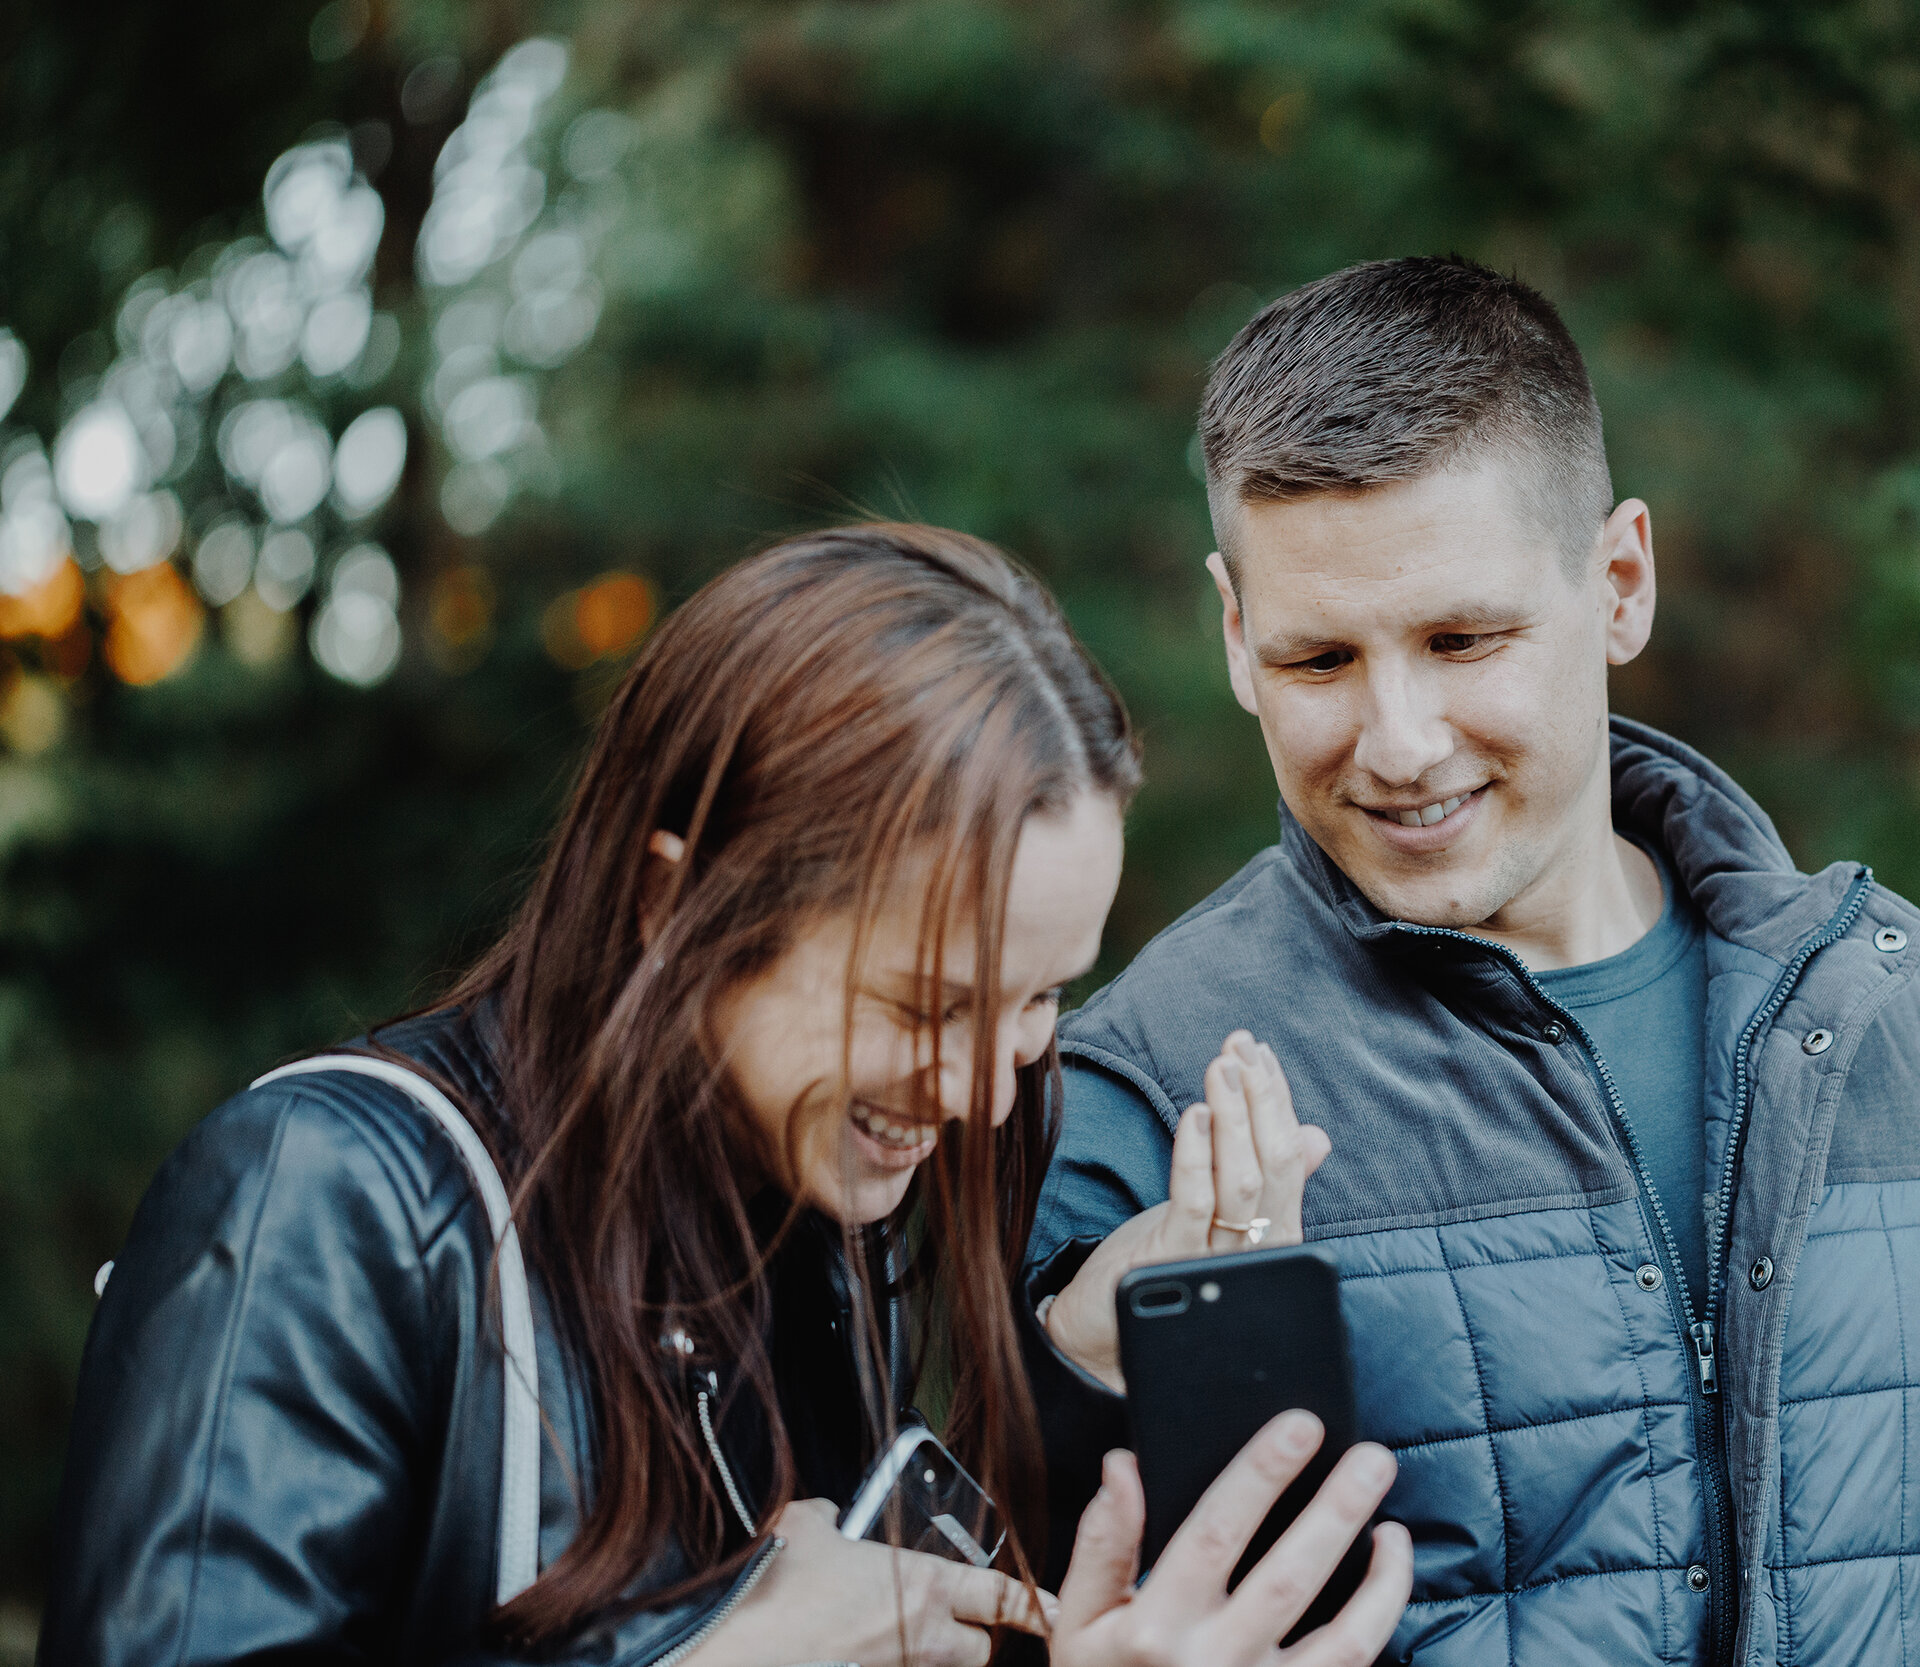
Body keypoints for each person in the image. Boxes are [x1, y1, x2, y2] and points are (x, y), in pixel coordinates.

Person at [41, 527, 1412, 1667]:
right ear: (672, 901)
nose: (988, 1094)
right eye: (925, 1005)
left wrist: (1091, 1374)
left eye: (1042, 999)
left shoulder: (811, 1231)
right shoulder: (325, 1201)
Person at [1024, 259, 1920, 1665]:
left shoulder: (1870, 1008)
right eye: (1320, 662)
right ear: (1238, 636)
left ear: (1618, 582)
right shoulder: (1136, 1088)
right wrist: (1071, 1363)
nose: (1401, 739)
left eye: (1461, 639)